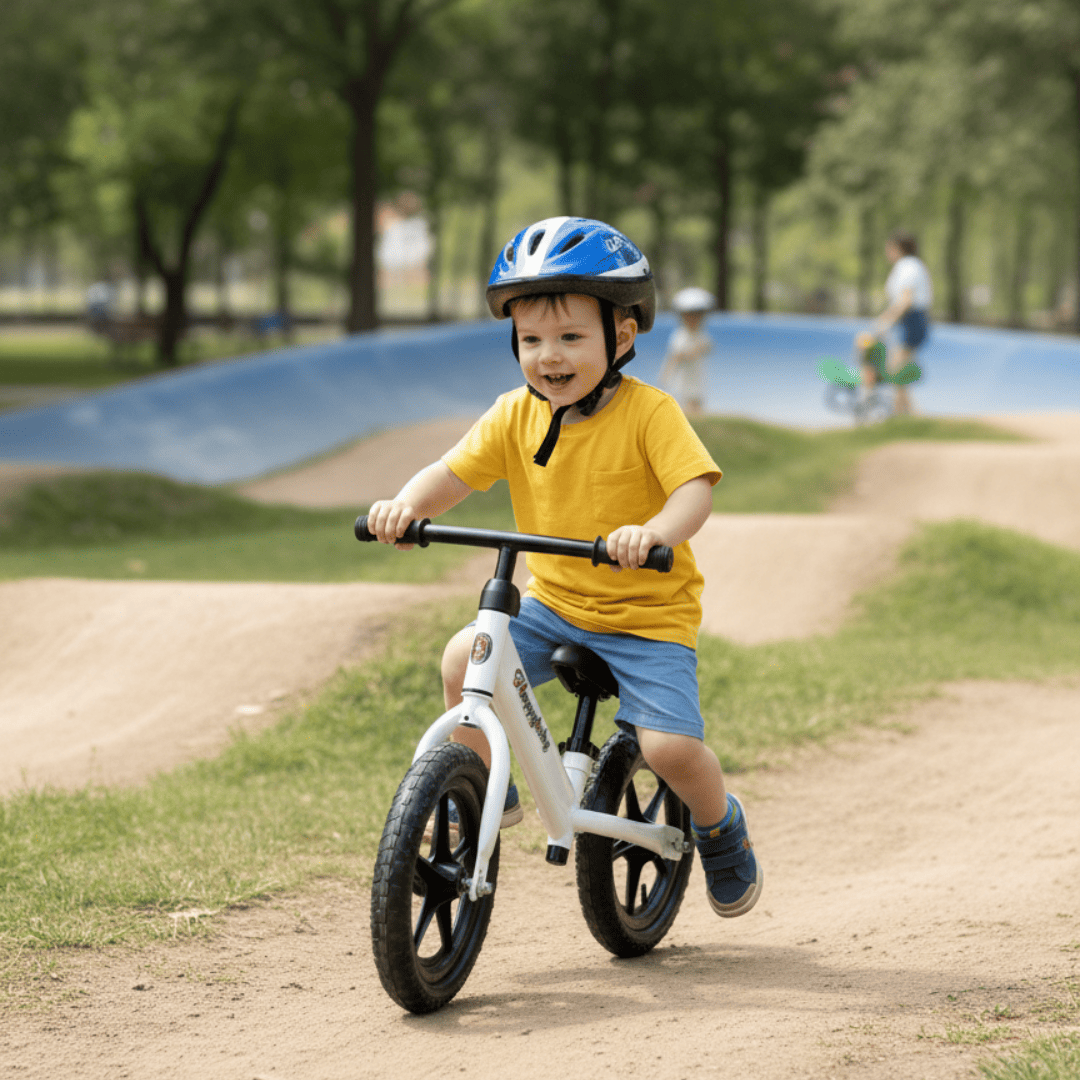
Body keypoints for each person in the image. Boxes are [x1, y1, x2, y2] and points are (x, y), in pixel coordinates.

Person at [367, 216, 762, 919]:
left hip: (647, 616)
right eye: (531, 340)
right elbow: (453, 473)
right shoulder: (514, 415)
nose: (549, 355)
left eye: (571, 337)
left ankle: (717, 823)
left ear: (623, 336)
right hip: (556, 602)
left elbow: (694, 489)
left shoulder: (650, 413)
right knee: (465, 659)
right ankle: (486, 786)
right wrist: (404, 506)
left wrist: (653, 531)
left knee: (669, 749)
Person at [874, 230, 932, 415]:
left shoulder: (909, 267)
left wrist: (887, 319)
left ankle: (903, 412)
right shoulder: (908, 266)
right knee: (898, 369)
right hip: (911, 320)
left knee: (897, 368)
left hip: (913, 320)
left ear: (897, 248)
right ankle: (905, 411)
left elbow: (906, 299)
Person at [660, 286, 715, 416]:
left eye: (698, 316)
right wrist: (665, 378)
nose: (694, 320)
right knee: (686, 409)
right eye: (690, 316)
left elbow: (708, 347)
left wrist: (701, 349)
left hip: (697, 379)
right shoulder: (680, 336)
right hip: (683, 381)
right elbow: (675, 357)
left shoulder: (701, 335)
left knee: (697, 406)